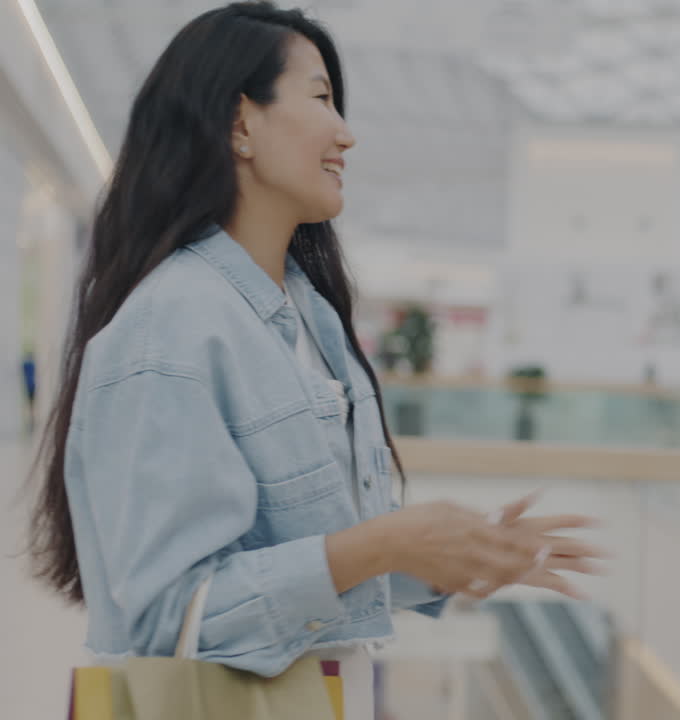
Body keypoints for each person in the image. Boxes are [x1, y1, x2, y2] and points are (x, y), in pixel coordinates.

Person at [26, 4, 603, 718]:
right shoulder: (170, 330)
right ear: (241, 123)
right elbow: (167, 618)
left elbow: (312, 568)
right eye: (322, 97)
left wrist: (450, 556)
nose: (347, 133)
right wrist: (382, 541)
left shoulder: (309, 318)